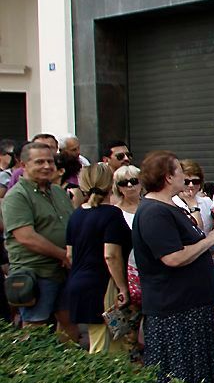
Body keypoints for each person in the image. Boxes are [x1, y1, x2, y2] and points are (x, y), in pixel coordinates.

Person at [131, 151, 214, 383]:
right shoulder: (154, 212)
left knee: (196, 375)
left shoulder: (169, 206)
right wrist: (210, 239)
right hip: (175, 310)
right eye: (179, 170)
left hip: (189, 305)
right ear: (167, 177)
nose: (185, 174)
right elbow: (173, 257)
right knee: (180, 377)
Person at [1, 142, 78, 341]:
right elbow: (26, 237)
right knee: (36, 331)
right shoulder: (17, 196)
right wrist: (63, 254)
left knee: (70, 325)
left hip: (64, 272)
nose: (47, 166)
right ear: (23, 165)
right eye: (39, 162)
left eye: (50, 161)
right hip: (36, 273)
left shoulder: (59, 192)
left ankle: (68, 368)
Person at [176, 159, 214, 363]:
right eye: (187, 182)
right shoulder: (175, 204)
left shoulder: (206, 202)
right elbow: (196, 234)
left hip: (213, 264)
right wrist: (193, 207)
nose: (191, 186)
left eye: (196, 181)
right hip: (189, 268)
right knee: (198, 314)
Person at [65, 164, 132, 354]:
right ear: (111, 184)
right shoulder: (111, 214)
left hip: (79, 282)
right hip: (103, 287)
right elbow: (111, 255)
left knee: (107, 338)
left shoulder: (76, 215)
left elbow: (69, 254)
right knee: (106, 346)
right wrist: (122, 288)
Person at [114, 165, 143, 319]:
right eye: (123, 183)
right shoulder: (114, 212)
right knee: (131, 323)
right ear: (118, 188)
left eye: (133, 181)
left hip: (153, 270)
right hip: (127, 271)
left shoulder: (152, 206)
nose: (130, 185)